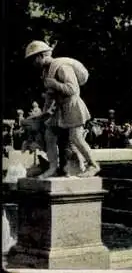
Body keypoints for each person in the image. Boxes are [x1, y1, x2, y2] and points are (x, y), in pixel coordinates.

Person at [24, 40, 100, 178]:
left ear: (41, 56)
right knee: (49, 134)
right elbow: (49, 97)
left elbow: (73, 89)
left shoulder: (61, 67)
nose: (33, 63)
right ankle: (53, 167)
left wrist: (55, 84)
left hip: (72, 105)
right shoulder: (46, 72)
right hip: (60, 107)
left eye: (33, 59)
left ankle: (93, 165)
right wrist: (43, 114)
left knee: (76, 137)